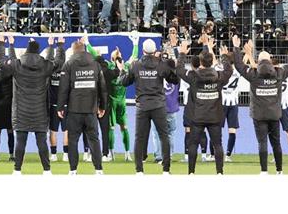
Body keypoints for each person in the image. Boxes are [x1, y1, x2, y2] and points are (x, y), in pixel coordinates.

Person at [232, 35, 288, 174]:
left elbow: (239, 66)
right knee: (276, 143)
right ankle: (279, 171)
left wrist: (236, 48)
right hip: (274, 114)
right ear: (270, 60)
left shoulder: (253, 74)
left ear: (258, 61)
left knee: (262, 143)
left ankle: (264, 171)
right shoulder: (279, 73)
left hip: (258, 116)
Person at [0, 35, 64, 175]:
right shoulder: (45, 65)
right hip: (40, 112)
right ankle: (47, 171)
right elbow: (58, 62)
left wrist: (3, 44)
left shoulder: (18, 65)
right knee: (42, 143)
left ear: (26, 51)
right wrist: (57, 46)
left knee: (20, 143)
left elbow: (1, 61)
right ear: (39, 52)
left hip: (21, 112)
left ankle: (17, 170)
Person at [116, 38, 179, 175]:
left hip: (142, 106)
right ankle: (166, 170)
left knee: (140, 138)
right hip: (158, 105)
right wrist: (173, 66)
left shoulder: (135, 65)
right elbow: (174, 80)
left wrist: (121, 71)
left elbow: (124, 82)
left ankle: (139, 170)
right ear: (155, 50)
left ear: (143, 51)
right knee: (164, 136)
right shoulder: (162, 65)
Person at [175, 38, 233, 175]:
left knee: (193, 144)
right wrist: (224, 57)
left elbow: (179, 69)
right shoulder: (219, 76)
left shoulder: (194, 76)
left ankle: (191, 173)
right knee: (217, 145)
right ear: (212, 62)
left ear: (200, 63)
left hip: (198, 117)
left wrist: (182, 53)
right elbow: (229, 70)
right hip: (215, 117)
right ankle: (219, 173)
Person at [56, 38, 108, 175]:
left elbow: (63, 88)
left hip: (74, 110)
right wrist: (102, 106)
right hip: (91, 110)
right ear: (84, 49)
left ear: (73, 50)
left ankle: (73, 170)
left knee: (73, 141)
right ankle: (98, 170)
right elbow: (103, 88)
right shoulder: (95, 64)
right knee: (94, 140)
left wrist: (60, 107)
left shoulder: (69, 64)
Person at [86, 37, 138, 161]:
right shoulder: (109, 66)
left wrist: (136, 43)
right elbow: (95, 55)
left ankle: (127, 153)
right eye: (116, 56)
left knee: (124, 127)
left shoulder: (124, 66)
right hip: (112, 101)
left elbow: (133, 57)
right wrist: (88, 43)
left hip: (122, 102)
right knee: (111, 128)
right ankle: (111, 152)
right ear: (112, 59)